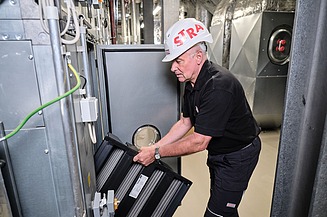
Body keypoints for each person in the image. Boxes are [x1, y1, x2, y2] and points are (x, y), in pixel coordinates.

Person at [133, 18, 261, 217]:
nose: (173, 68)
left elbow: (199, 141)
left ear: (198, 57)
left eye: (178, 61)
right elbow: (185, 122)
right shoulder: (192, 83)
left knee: (216, 213)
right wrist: (153, 148)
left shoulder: (218, 86)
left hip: (238, 155)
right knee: (223, 207)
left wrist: (157, 154)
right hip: (219, 152)